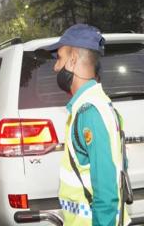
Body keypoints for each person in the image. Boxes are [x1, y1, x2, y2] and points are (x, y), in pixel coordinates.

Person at [42, 24, 129, 225]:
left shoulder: (89, 112)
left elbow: (106, 192)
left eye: (60, 59)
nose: (56, 67)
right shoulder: (100, 104)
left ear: (72, 61)